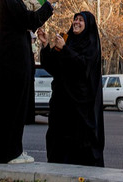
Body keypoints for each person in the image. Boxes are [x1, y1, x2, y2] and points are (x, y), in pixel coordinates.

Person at [0, 0, 62, 165]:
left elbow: (25, 24)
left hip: (14, 65)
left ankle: (12, 150)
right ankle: (9, 153)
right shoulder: (8, 1)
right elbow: (30, 19)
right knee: (12, 109)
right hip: (13, 67)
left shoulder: (9, 1)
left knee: (15, 110)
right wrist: (49, 3)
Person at [38, 11, 105, 167]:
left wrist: (66, 49)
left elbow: (83, 67)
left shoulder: (91, 45)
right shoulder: (67, 39)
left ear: (88, 25)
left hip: (80, 106)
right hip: (61, 103)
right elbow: (51, 66)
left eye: (81, 20)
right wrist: (45, 45)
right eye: (75, 19)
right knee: (57, 141)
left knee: (80, 146)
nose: (76, 22)